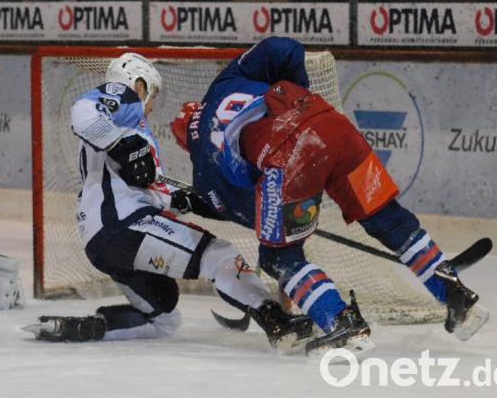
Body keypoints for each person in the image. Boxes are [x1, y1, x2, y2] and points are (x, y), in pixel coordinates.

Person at [169, 37, 489, 355]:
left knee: (279, 257)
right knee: (385, 217)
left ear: (185, 141)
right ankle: (453, 293)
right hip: (333, 127)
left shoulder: (202, 164)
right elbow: (284, 48)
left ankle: (340, 322)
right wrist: (299, 100)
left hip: (290, 157)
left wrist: (193, 200)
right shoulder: (225, 81)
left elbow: (250, 213)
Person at [24, 53, 312, 350]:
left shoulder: (128, 129)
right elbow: (83, 109)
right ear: (138, 83)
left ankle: (87, 327)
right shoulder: (125, 102)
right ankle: (277, 322)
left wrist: (219, 204)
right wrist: (122, 146)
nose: (151, 104)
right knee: (219, 256)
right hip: (124, 223)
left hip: (101, 241)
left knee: (163, 318)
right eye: (152, 93)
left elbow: (161, 192)